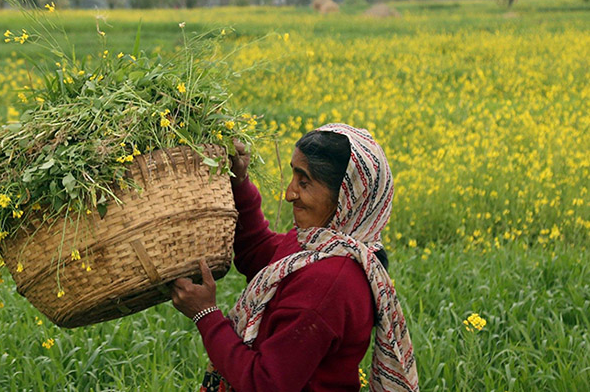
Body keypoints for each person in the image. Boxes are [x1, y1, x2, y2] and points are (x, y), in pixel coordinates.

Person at [171, 124, 419, 392]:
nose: (289, 193)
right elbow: (261, 254)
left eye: (304, 182)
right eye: (293, 176)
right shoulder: (319, 244)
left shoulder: (329, 284)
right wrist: (239, 183)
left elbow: (264, 384)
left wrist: (206, 315)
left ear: (347, 197)